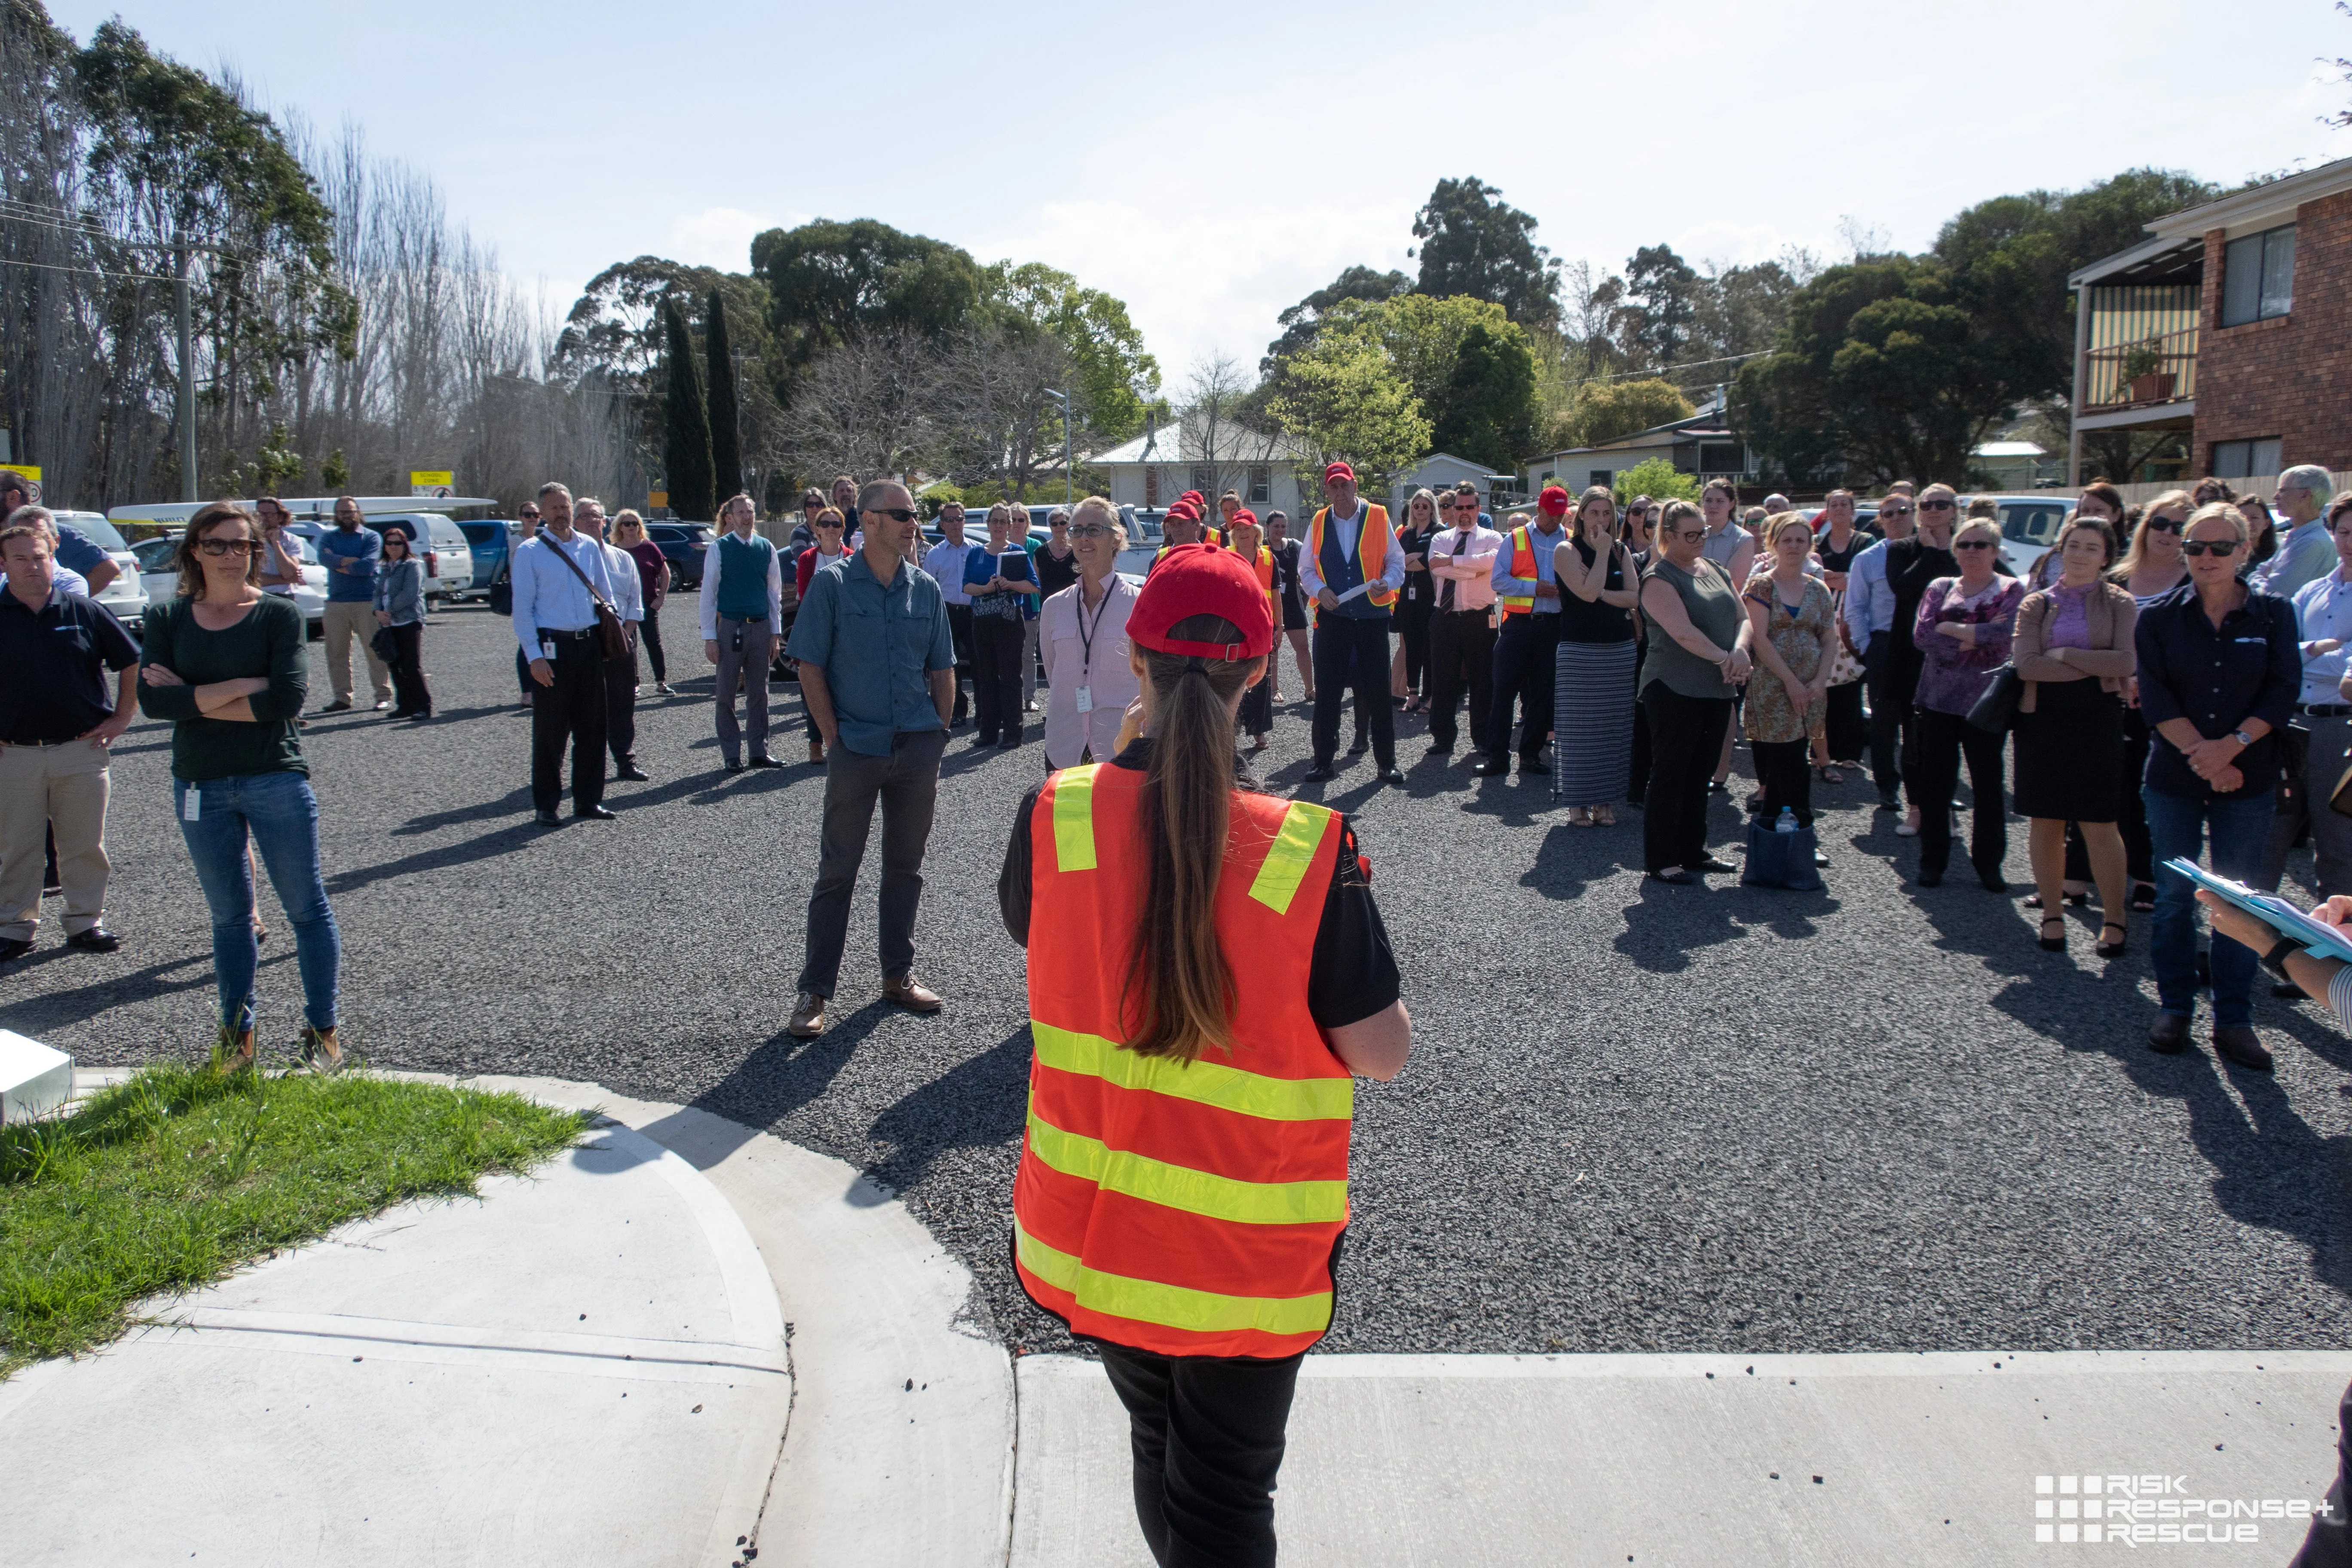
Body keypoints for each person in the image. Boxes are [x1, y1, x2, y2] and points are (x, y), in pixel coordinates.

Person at [996, 539, 1408, 1568]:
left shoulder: (1057, 813)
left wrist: (1128, 750)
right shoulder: (1311, 848)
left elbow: (1042, 934)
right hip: (1239, 1259)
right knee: (1223, 1494)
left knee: (1160, 1447)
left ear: (1130, 663)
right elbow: (1380, 1053)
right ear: (1260, 672)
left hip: (1095, 1230)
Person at [136, 502, 341, 1071]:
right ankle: (236, 1040)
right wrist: (239, 687)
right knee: (230, 917)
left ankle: (323, 1034)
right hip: (200, 781)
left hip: (274, 775)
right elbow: (154, 703)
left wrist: (195, 699)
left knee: (306, 909)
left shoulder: (277, 614)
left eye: (244, 545)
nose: (233, 556)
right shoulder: (166, 619)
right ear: (194, 551)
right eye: (218, 544)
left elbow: (285, 702)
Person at [783, 480, 956, 1039]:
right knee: (838, 872)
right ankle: (814, 993)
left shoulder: (925, 590)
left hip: (916, 747)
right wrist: (832, 735)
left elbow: (943, 669)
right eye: (902, 514)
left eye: (915, 514)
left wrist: (940, 734)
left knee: (906, 869)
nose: (913, 523)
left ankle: (898, 976)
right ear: (871, 522)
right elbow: (808, 664)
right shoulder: (832, 586)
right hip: (856, 748)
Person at [2135, 501, 2300, 1066]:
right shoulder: (2158, 617)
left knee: (2237, 905)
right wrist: (2205, 757)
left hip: (2247, 777)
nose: (2207, 557)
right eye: (2195, 547)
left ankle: (2234, 1021)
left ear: (2244, 551)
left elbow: (2282, 693)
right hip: (2175, 776)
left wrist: (2231, 749)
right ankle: (2175, 1007)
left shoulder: (2276, 614)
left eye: (2220, 547)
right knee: (2176, 899)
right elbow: (2155, 699)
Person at [0, 524, 136, 963]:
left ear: (52, 557)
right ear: (3, 564)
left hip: (81, 752)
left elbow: (131, 660)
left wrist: (122, 717)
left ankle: (85, 923)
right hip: (13, 754)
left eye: (39, 556)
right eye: (20, 558)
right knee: (16, 847)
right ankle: (15, 928)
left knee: (83, 845)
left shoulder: (82, 610)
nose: (32, 565)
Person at [2011, 516, 2137, 953]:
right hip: (2041, 719)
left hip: (2097, 719)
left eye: (2091, 548)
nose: (2080, 554)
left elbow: (2125, 663)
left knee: (2100, 823)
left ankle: (2116, 919)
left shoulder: (2121, 602)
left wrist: (2063, 655)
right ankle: (2051, 914)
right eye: (2074, 545)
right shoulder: (2037, 604)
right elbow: (2027, 665)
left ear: (2107, 556)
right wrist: (2089, 663)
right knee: (2045, 821)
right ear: (2061, 549)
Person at [1638, 499, 1753, 883]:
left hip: (1715, 689)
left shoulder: (1716, 569)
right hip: (1673, 688)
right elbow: (1683, 632)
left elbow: (1743, 618)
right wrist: (1727, 659)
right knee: (1671, 772)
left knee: (1701, 771)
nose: (1701, 539)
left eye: (1703, 532)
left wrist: (1739, 650)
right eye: (1691, 534)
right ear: (1668, 537)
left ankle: (1693, 851)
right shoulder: (1658, 578)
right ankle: (1662, 858)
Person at [1908, 516, 2024, 890]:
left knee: (1988, 787)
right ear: (1955, 550)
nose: (1972, 552)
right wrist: (1976, 638)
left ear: (1995, 551)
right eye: (1965, 545)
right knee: (1934, 786)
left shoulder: (2011, 589)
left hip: (1985, 703)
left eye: (1981, 545)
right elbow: (1923, 636)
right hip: (1938, 700)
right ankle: (1933, 862)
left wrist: (1952, 629)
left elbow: (2006, 636)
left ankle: (1989, 866)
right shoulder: (1940, 587)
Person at [2094, 493, 2195, 912]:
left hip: (2166, 708)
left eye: (2178, 528)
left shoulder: (2194, 585)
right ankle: (2105, 875)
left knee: (2152, 795)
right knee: (2107, 790)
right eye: (2160, 523)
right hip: (2108, 699)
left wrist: (2145, 681)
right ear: (2144, 527)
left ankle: (2150, 877)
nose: (2166, 534)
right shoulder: (2115, 579)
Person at [2261, 491, 2352, 903]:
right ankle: (2245, 938)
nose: (2350, 541)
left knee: (2337, 841)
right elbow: (2278, 653)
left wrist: (2307, 655)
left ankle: (2334, 949)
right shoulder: (2312, 591)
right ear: (2333, 534)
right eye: (2345, 531)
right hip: (2291, 723)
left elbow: (2346, 670)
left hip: (2340, 727)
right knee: (2268, 832)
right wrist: (2320, 649)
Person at [512, 481, 620, 824]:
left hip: (586, 644)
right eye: (554, 508)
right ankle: (547, 805)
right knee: (550, 732)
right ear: (542, 513)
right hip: (551, 648)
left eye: (565, 506)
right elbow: (522, 610)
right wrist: (534, 657)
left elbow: (606, 593)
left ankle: (588, 801)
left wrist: (610, 625)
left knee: (592, 728)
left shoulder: (589, 546)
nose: (561, 513)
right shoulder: (530, 552)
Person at [1296, 461, 1406, 785]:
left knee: (1379, 692)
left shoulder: (1377, 516)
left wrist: (1388, 582)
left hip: (1372, 617)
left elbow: (1396, 563)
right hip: (1333, 618)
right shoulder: (1318, 521)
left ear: (1355, 486)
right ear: (1327, 490)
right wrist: (1320, 590)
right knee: (1328, 693)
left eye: (1345, 485)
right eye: (1334, 487)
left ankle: (1387, 764)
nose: (1340, 492)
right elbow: (1306, 571)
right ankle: (1323, 763)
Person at [1742, 514, 1838, 845]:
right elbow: (1759, 639)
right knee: (1788, 762)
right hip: (1774, 686)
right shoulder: (1761, 586)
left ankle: (1787, 835)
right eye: (1787, 540)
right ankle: (1790, 833)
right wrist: (1791, 682)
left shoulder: (1819, 589)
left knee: (1797, 760)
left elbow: (1829, 639)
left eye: (1801, 540)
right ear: (1774, 544)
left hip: (1811, 688)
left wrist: (1819, 681)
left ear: (1810, 546)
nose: (1794, 546)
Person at [1553, 485, 1641, 824]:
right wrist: (1601, 556)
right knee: (1579, 729)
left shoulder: (1622, 551)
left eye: (1607, 514)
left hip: (1618, 649)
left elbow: (1634, 597)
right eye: (1594, 513)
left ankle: (1604, 801)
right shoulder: (1566, 550)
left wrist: (1602, 587)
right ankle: (1577, 803)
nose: (1601, 520)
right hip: (1579, 650)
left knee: (1611, 728)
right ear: (1581, 516)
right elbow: (1585, 596)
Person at [1886, 483, 1963, 837]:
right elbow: (1903, 587)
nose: (1933, 510)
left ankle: (1943, 807)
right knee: (1913, 736)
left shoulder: (1969, 547)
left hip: (1959, 658)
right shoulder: (1903, 549)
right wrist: (1931, 553)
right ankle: (1917, 808)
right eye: (1927, 504)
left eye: (1941, 504)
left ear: (1954, 510)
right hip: (1910, 656)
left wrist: (1945, 552)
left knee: (1948, 737)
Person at [1478, 490, 1572, 779]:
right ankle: (1497, 756)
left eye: (1561, 513)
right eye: (1551, 512)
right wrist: (1534, 588)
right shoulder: (1516, 538)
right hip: (1518, 624)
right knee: (1503, 691)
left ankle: (1530, 755)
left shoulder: (1569, 540)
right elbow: (1499, 580)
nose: (1556, 518)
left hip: (1553, 626)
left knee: (1543, 694)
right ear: (1540, 509)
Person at [1039, 498, 1137, 769]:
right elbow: (1053, 672)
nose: (1084, 538)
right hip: (1064, 745)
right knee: (1067, 814)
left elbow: (1151, 678)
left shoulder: (1139, 605)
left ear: (1116, 539)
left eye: (1094, 530)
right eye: (1076, 530)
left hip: (1121, 746)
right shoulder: (1054, 607)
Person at [700, 492, 785, 772]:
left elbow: (774, 594)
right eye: (740, 512)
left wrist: (776, 633)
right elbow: (708, 595)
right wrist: (710, 638)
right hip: (730, 628)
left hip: (760, 627)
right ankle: (731, 754)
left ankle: (759, 751)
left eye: (750, 511)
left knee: (759, 692)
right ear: (730, 518)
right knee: (726, 692)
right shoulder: (720, 548)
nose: (747, 517)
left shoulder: (766, 548)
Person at [1844, 491, 1915, 815]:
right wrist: (1868, 647)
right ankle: (1887, 787)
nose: (1896, 517)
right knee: (1884, 724)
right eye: (1888, 514)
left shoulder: (1929, 555)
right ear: (1880, 521)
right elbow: (1855, 608)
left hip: (1923, 646)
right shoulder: (1867, 559)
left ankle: (1924, 790)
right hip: (1884, 645)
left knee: (1923, 725)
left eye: (1903, 511)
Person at [1423, 490, 1504, 762]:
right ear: (1453, 509)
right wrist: (1475, 569)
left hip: (1480, 618)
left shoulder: (1493, 538)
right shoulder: (1441, 538)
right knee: (1443, 680)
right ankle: (1443, 738)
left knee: (1483, 682)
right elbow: (1436, 567)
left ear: (1478, 508)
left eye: (1470, 507)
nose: (1464, 512)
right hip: (1445, 618)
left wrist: (1455, 562)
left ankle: (1482, 739)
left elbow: (1492, 562)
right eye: (1459, 507)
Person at [578, 499, 646, 781]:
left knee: (622, 703)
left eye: (597, 516)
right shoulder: (570, 557)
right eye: (585, 517)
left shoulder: (623, 559)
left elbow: (635, 601)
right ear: (575, 522)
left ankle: (624, 760)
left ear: (605, 522)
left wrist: (624, 635)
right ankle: (588, 765)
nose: (593, 521)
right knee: (585, 708)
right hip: (583, 643)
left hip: (620, 642)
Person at [965, 502, 1039, 749]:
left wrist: (1009, 584)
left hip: (1009, 621)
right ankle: (988, 732)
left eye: (1003, 522)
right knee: (986, 676)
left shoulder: (1017, 553)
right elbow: (966, 587)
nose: (998, 526)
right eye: (994, 522)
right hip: (982, 621)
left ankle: (1012, 734)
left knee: (1010, 676)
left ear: (1009, 525)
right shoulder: (976, 553)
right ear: (988, 525)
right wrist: (988, 588)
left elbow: (1033, 587)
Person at [314, 495, 389, 713]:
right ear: (336, 515)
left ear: (358, 512)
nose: (345, 516)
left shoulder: (371, 537)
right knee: (336, 653)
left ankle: (383, 696)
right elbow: (324, 559)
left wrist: (338, 562)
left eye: (350, 511)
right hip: (336, 602)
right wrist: (351, 562)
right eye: (341, 512)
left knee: (374, 651)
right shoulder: (328, 538)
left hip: (366, 601)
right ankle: (342, 698)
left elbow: (367, 566)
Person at [1224, 508, 1279, 750]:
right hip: (1232, 627)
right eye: (1238, 529)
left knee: (1261, 677)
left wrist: (1280, 625)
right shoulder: (1225, 556)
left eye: (1247, 529)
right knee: (1231, 679)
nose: (1243, 533)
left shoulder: (1269, 558)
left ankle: (1259, 731)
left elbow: (1276, 594)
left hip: (1262, 626)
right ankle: (1229, 732)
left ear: (1256, 532)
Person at [922, 501, 979, 729]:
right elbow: (929, 589)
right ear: (942, 525)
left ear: (964, 522)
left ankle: (984, 711)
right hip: (947, 614)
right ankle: (957, 711)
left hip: (974, 612)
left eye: (959, 519)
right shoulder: (935, 555)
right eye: (950, 520)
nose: (955, 524)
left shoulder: (977, 550)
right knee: (950, 665)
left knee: (980, 662)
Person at [372, 527, 432, 721]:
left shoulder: (412, 565)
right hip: (389, 624)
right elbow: (378, 593)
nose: (394, 547)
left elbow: (410, 594)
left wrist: (389, 611)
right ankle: (405, 705)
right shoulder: (385, 567)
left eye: (398, 543)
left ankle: (423, 706)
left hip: (409, 620)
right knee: (395, 664)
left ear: (405, 545)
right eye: (390, 543)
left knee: (411, 665)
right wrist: (377, 612)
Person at [611, 510, 674, 696]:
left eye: (635, 523)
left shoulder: (649, 547)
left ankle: (661, 683)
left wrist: (661, 597)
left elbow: (665, 573)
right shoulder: (614, 549)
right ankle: (633, 684)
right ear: (619, 527)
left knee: (654, 642)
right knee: (629, 644)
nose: (631, 527)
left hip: (648, 603)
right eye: (627, 524)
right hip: (623, 606)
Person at [1390, 488, 1441, 713]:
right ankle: (1412, 694)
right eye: (1416, 506)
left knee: (1430, 647)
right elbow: (1398, 562)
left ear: (1432, 508)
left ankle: (1430, 696)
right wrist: (1413, 558)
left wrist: (1413, 559)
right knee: (1411, 646)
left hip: (1429, 597)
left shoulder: (1439, 532)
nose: (1420, 510)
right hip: (1407, 598)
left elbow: (1426, 563)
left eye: (1425, 506)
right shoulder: (1408, 534)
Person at [2259, 465, 2339, 601]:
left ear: (2305, 495)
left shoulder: (2313, 543)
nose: (2276, 496)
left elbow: (2271, 594)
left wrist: (2262, 578)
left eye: (2283, 490)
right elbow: (2260, 573)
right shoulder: (2296, 537)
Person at [1264, 511, 1311, 704]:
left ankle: (1310, 689)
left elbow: (1307, 572)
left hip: (1293, 603)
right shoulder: (1262, 549)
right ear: (1268, 527)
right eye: (1276, 526)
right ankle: (1274, 689)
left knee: (1303, 647)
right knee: (1273, 649)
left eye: (1283, 526)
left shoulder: (1295, 546)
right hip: (1272, 605)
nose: (1280, 530)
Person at [510, 500, 542, 707]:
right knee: (526, 642)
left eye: (535, 514)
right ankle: (527, 692)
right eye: (527, 514)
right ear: (520, 517)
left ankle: (543, 687)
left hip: (543, 598)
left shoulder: (544, 540)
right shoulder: (514, 541)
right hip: (522, 596)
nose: (532, 518)